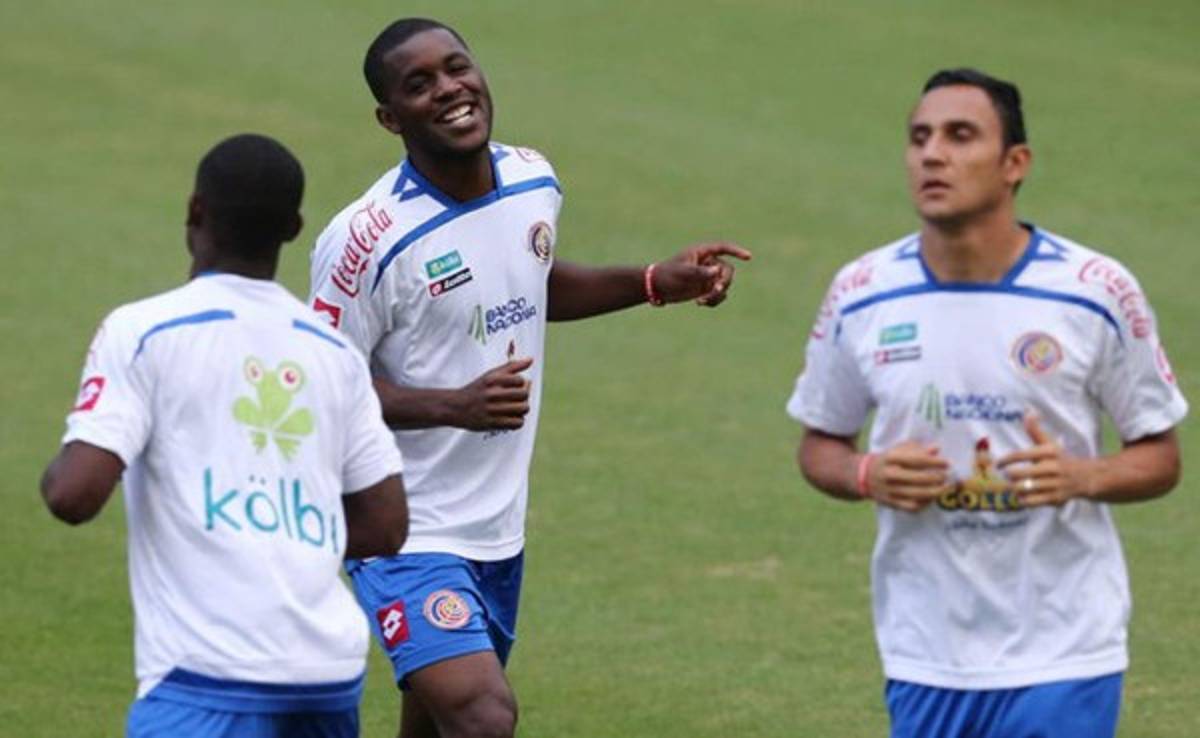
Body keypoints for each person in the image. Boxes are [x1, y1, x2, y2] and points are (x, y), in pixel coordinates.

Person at [308, 18, 751, 738]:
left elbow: (529, 282)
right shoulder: (367, 240)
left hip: (496, 528)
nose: (450, 90)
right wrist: (455, 405)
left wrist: (651, 282)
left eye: (457, 68)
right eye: (419, 85)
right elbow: (321, 387)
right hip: (401, 528)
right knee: (484, 715)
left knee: (437, 726)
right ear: (390, 118)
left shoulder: (532, 180)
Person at [787, 68, 1187, 738]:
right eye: (919, 138)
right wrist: (864, 474)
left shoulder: (1094, 291)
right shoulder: (862, 291)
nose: (932, 154)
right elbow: (819, 442)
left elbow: (1160, 455)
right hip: (924, 649)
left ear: (1015, 164)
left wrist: (1082, 476)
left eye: (960, 136)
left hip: (1066, 646)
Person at [40, 134, 409, 738]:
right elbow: (388, 524)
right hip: (326, 672)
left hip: (207, 673)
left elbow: (73, 496)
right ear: (293, 228)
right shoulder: (334, 354)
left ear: (194, 210)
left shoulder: (145, 332)